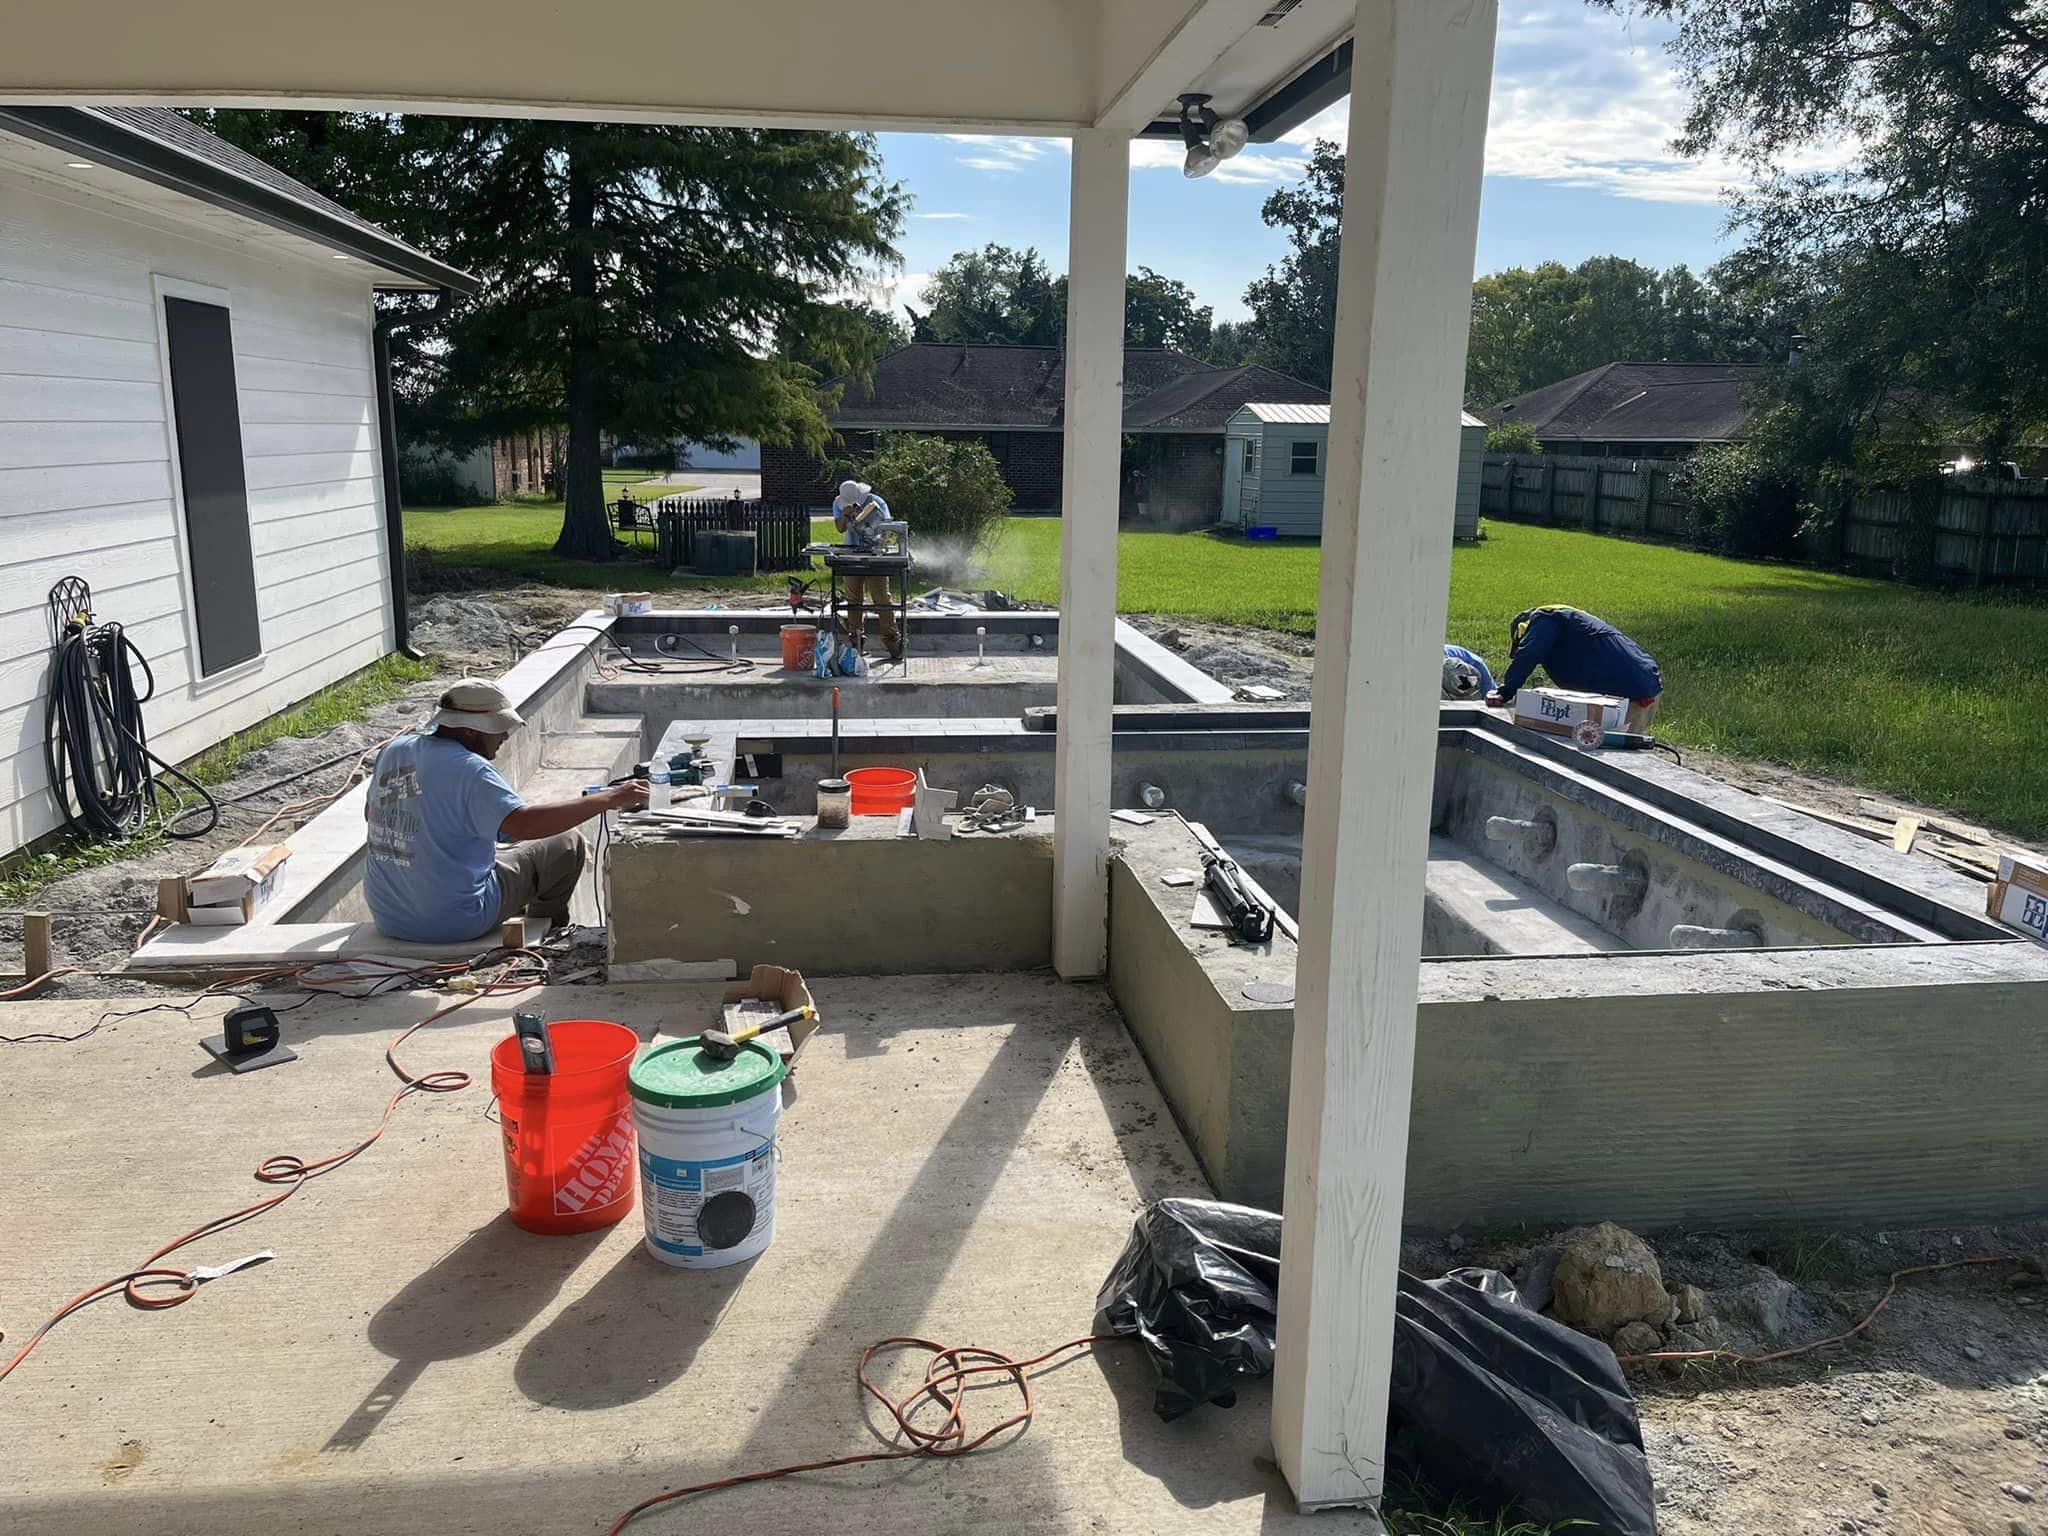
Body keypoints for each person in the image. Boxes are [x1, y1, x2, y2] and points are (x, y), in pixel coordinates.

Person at [364, 680, 648, 944]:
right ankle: (550, 936)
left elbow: (371, 814)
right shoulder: (470, 769)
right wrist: (610, 798)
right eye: (499, 727)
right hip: (455, 921)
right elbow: (522, 826)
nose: (504, 735)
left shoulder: (395, 751)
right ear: (469, 730)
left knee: (496, 853)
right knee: (567, 844)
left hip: (390, 918)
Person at [1488, 605, 1663, 732]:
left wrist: (1505, 692)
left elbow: (1529, 653)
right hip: (1646, 683)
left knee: (1608, 759)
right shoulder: (1570, 622)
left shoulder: (1545, 618)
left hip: (1627, 694)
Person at [833, 478, 903, 662]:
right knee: (853, 600)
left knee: (881, 599)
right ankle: (856, 643)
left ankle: (893, 642)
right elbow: (839, 528)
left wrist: (876, 534)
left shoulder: (875, 501)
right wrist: (845, 515)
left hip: (875, 554)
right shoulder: (838, 503)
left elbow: (887, 525)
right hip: (852, 553)